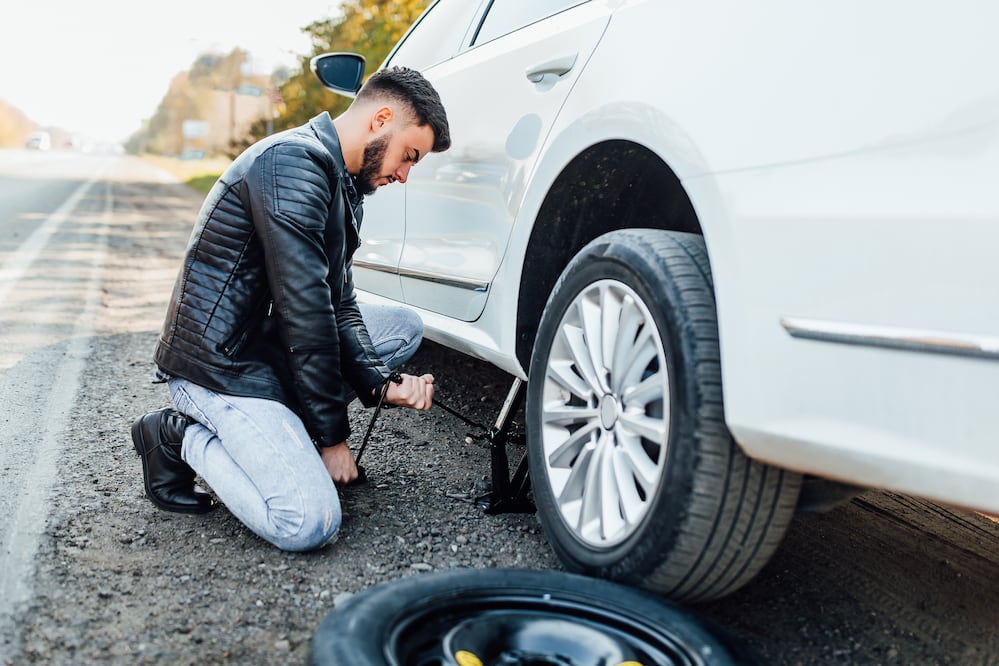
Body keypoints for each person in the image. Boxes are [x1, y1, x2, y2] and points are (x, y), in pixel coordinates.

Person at [131, 66, 451, 552]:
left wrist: (380, 385)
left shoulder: (344, 183)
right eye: (409, 156)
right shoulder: (292, 165)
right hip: (220, 366)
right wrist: (332, 439)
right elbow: (307, 313)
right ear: (381, 118)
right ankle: (177, 436)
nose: (404, 175)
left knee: (403, 326)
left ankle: (281, 434)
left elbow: (339, 304)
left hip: (266, 347)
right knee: (308, 521)